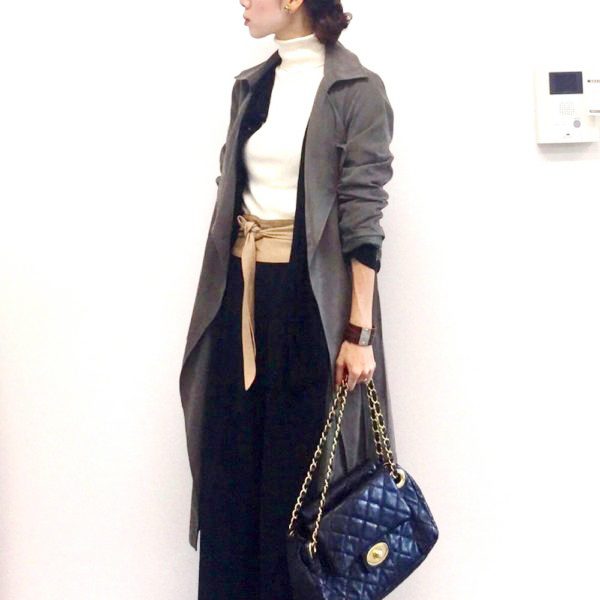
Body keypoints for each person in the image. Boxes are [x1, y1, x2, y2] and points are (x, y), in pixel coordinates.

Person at [180, 1, 397, 598]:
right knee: (228, 467)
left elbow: (363, 215)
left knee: (299, 481)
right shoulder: (251, 87)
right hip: (239, 299)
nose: (242, 3)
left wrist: (358, 335)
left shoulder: (357, 90)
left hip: (309, 306)